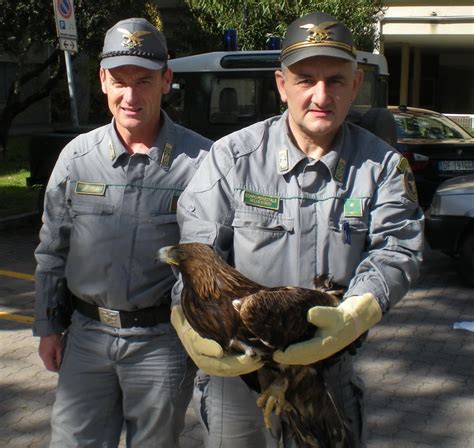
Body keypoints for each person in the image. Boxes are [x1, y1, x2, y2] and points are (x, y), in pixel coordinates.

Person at [171, 11, 424, 448]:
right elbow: (196, 254)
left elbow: (397, 248)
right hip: (240, 377)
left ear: (356, 85)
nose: (321, 95)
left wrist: (359, 309)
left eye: (336, 80)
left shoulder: (382, 167)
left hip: (327, 370)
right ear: (281, 84)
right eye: (305, 79)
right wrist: (188, 320)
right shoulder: (231, 159)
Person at [33, 17, 212, 447]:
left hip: (161, 345)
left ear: (166, 80)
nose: (130, 95)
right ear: (102, 80)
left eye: (144, 81)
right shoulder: (77, 159)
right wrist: (47, 326)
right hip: (86, 339)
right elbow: (52, 249)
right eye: (120, 80)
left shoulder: (201, 163)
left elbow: (211, 263)